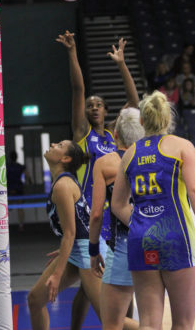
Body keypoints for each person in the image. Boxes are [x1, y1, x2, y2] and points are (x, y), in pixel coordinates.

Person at [56, 30, 139, 329]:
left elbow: (133, 102)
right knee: (99, 283)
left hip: (112, 215)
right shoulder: (82, 134)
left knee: (97, 282)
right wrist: (72, 52)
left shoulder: (114, 136)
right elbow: (78, 90)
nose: (92, 106)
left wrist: (121, 63)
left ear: (105, 111)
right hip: (88, 216)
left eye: (98, 104)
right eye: (90, 104)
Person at [111, 90, 195, 330]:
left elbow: (117, 205)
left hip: (142, 239)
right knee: (183, 324)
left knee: (148, 323)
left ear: (141, 121)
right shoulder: (182, 147)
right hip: (176, 236)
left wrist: (141, 223)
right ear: (168, 119)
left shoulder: (130, 154)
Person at [28, 140, 102, 329]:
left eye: (59, 145)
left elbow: (70, 232)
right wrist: (63, 251)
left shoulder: (63, 186)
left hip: (86, 254)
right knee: (35, 300)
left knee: (110, 319)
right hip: (76, 250)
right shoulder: (62, 181)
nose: (53, 144)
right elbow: (77, 226)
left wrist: (57, 274)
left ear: (65, 158)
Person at [89, 108, 145, 330]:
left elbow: (96, 214)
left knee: (111, 323)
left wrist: (94, 250)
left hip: (123, 249)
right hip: (155, 242)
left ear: (115, 136)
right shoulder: (153, 159)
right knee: (150, 318)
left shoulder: (105, 163)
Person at [7, 150, 32, 232]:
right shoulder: (20, 166)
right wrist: (30, 182)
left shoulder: (7, 166)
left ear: (10, 157)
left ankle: (3, 225)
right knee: (20, 207)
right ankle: (21, 225)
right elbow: (28, 175)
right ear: (16, 157)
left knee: (5, 207)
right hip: (18, 188)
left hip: (10, 188)